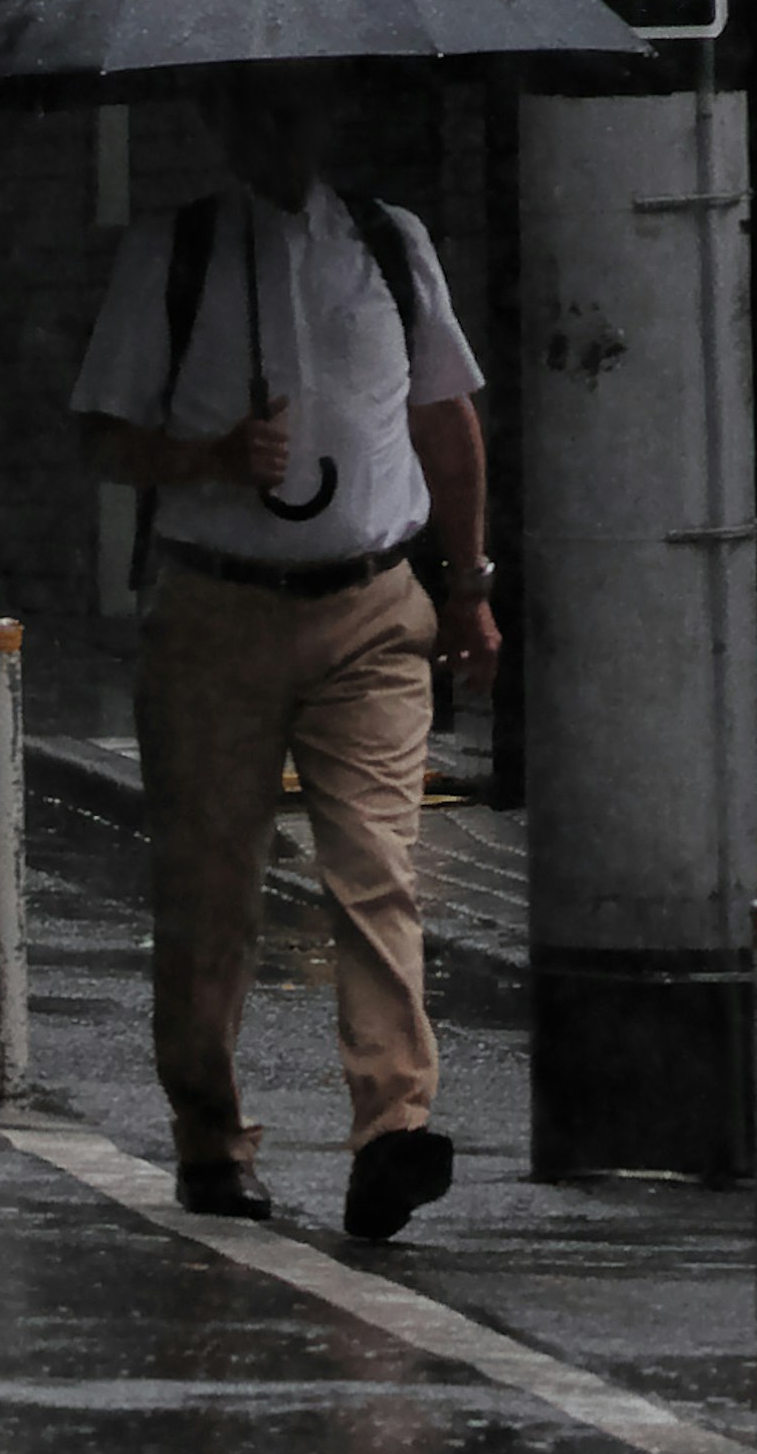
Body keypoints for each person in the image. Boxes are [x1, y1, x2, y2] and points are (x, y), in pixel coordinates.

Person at [74, 70, 502, 1238]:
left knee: (378, 869)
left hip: (371, 608)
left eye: (302, 107)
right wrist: (210, 457)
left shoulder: (389, 243)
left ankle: (392, 1131)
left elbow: (445, 417)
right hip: (217, 614)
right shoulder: (178, 250)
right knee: (211, 895)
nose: (284, 131)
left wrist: (467, 587)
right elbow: (102, 435)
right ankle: (212, 1138)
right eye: (255, 109)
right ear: (220, 122)